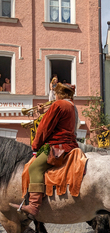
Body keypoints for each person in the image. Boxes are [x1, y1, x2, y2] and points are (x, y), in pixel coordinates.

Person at [10, 83, 79, 219]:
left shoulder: (58, 104)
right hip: (69, 145)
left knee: (35, 168)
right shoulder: (71, 106)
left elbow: (44, 128)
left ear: (59, 93)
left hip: (57, 146)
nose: (55, 96)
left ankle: (34, 206)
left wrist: (35, 145)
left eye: (55, 93)